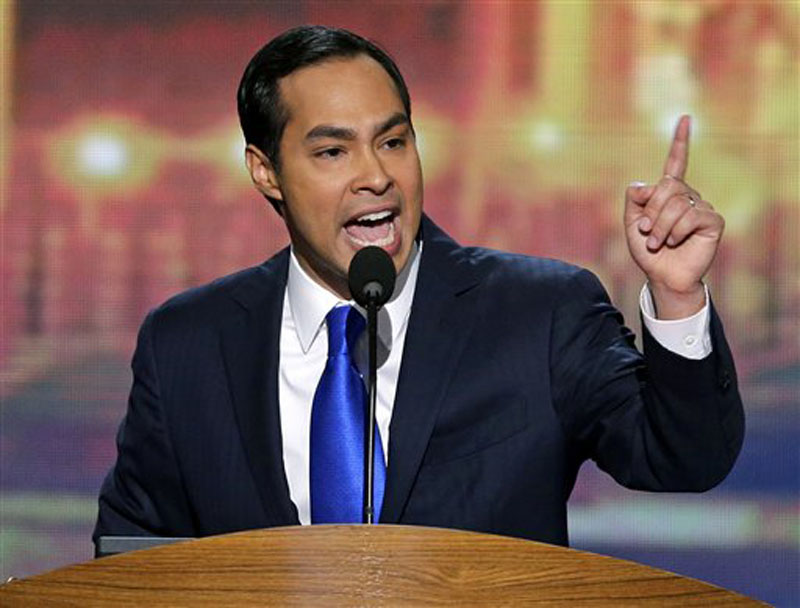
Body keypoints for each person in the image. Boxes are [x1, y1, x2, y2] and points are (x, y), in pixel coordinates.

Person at [93, 25, 743, 550]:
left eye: (394, 141)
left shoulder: (538, 311)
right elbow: (134, 551)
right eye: (332, 152)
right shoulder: (189, 342)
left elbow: (684, 458)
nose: (376, 176)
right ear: (266, 173)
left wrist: (678, 298)